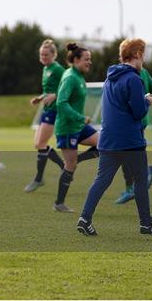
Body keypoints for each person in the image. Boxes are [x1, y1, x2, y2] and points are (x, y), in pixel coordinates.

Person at [77, 38, 152, 235]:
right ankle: (146, 224)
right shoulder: (134, 79)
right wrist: (148, 101)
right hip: (129, 140)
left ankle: (84, 219)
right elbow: (138, 112)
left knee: (101, 180)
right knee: (141, 181)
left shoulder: (111, 77)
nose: (144, 59)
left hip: (108, 139)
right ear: (136, 55)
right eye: (143, 54)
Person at [53, 43, 100, 212]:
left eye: (90, 59)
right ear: (76, 60)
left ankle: (76, 159)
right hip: (67, 128)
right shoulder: (70, 77)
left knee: (104, 143)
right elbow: (61, 102)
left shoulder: (79, 76)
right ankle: (59, 203)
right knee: (70, 166)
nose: (90, 62)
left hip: (79, 126)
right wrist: (81, 117)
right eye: (87, 59)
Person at [24, 39, 65, 192]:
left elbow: (66, 87)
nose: (43, 57)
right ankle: (64, 168)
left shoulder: (58, 69)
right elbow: (49, 89)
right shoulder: (46, 69)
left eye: (46, 54)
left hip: (55, 109)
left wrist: (54, 96)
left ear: (54, 55)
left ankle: (39, 179)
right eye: (41, 54)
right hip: (47, 109)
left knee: (40, 144)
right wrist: (40, 98)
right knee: (38, 144)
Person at [115, 67, 152, 204]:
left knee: (124, 153)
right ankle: (132, 186)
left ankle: (136, 182)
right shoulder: (144, 71)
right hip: (139, 120)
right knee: (128, 153)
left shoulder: (127, 73)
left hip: (131, 120)